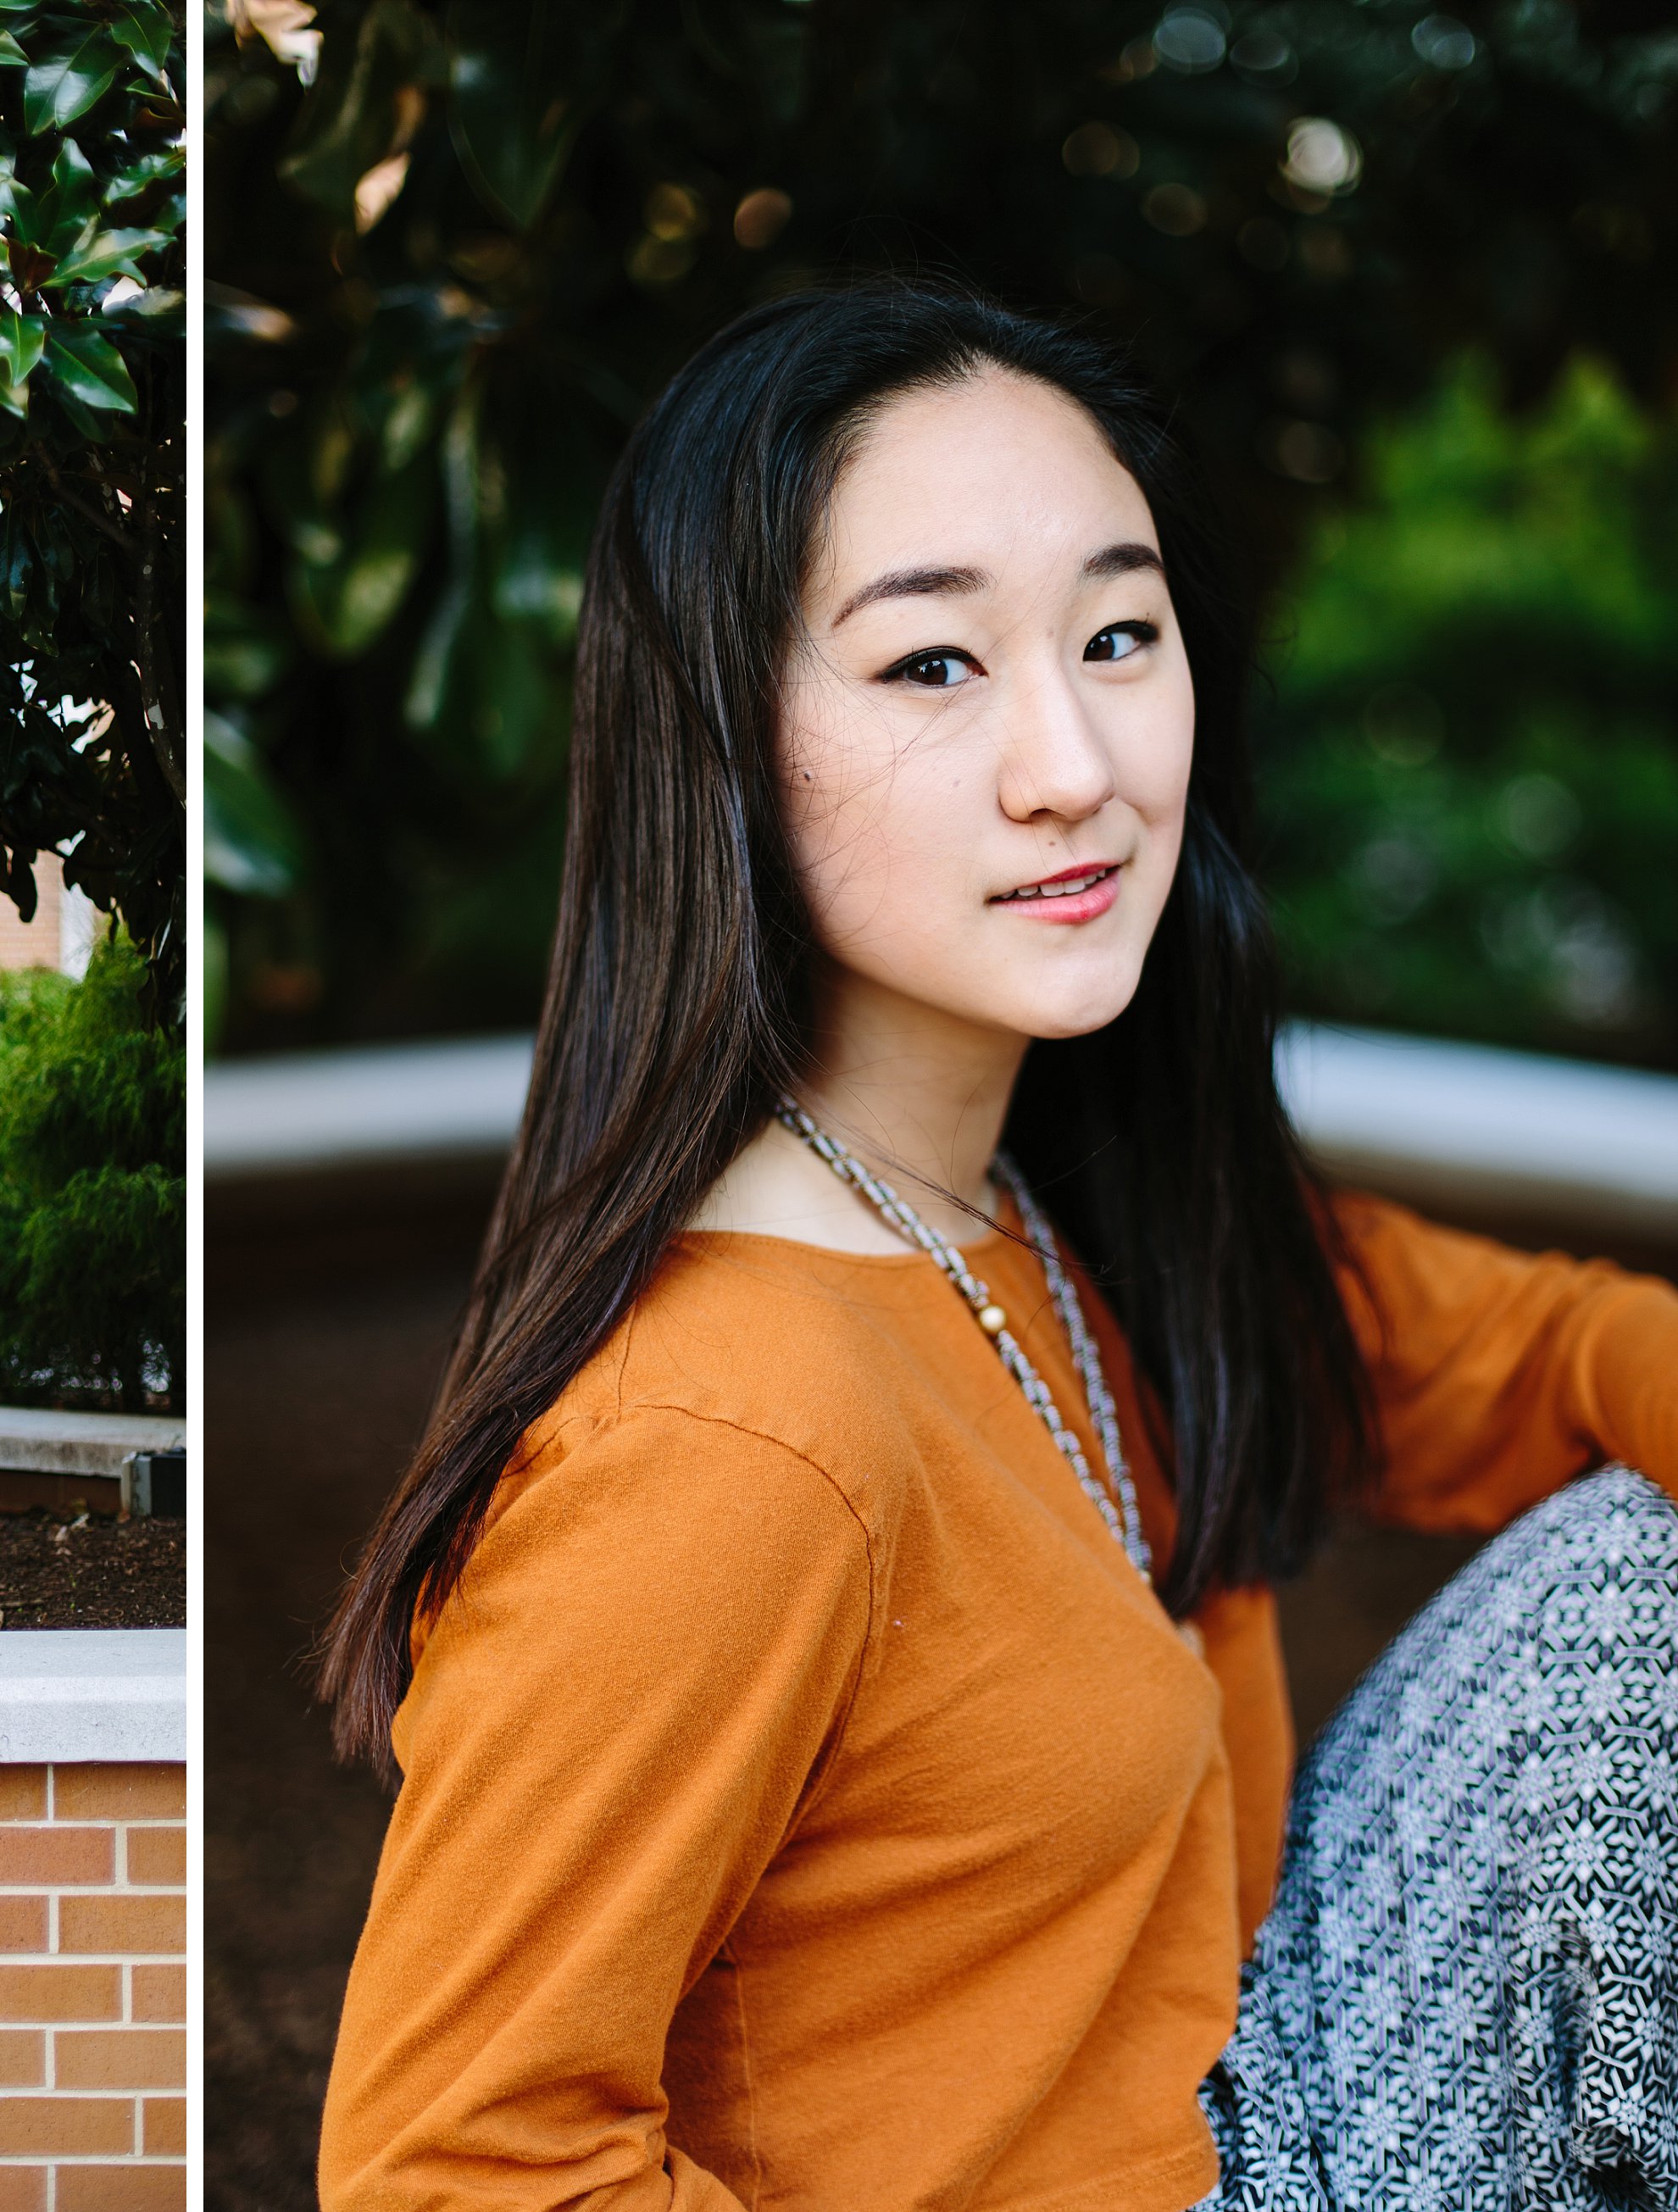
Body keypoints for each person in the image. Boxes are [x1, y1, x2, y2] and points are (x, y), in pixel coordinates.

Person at [314, 281, 1678, 2210]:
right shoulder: (724, 1441)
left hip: (1251, 2097)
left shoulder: (1066, 1198)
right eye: (932, 667)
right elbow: (455, 2168)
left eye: (1117, 635)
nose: (1073, 761)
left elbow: (1549, 1351)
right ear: (723, 738)